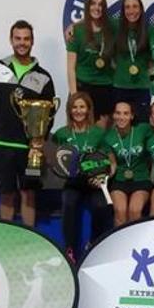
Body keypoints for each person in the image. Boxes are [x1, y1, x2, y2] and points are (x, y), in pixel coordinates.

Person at [0, 20, 56, 227]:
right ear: (11, 40)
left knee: (29, 195)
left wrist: (40, 140)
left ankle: (30, 240)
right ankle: (7, 240)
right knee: (6, 195)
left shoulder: (43, 77)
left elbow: (49, 114)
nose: (22, 43)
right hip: (2, 146)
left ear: (32, 42)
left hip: (29, 150)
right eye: (18, 38)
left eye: (26, 39)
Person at [51, 92, 110, 262]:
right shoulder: (61, 134)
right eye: (75, 107)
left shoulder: (98, 133)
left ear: (88, 110)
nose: (78, 111)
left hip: (93, 183)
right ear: (69, 111)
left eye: (82, 107)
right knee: (68, 203)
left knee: (101, 206)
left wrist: (103, 176)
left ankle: (93, 243)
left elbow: (107, 159)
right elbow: (55, 159)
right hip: (73, 183)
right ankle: (69, 249)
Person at [66, 0, 115, 129]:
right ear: (87, 6)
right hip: (83, 87)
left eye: (100, 4)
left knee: (100, 134)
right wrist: (74, 96)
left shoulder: (112, 28)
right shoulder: (76, 31)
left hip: (105, 88)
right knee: (80, 132)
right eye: (93, 4)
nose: (97, 7)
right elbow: (71, 67)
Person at [102, 101, 153, 227]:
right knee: (120, 211)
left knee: (134, 211)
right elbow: (112, 164)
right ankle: (120, 245)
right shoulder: (108, 137)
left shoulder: (143, 129)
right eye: (118, 113)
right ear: (113, 115)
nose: (121, 117)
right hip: (119, 180)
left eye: (126, 113)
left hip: (141, 179)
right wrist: (103, 176)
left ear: (132, 116)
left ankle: (137, 245)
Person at [112, 0, 152, 123]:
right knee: (121, 127)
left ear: (141, 9)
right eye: (127, 7)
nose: (131, 11)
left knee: (142, 127)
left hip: (142, 87)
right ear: (123, 11)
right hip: (120, 87)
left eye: (135, 6)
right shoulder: (115, 27)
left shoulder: (149, 30)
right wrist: (73, 26)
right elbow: (95, 20)